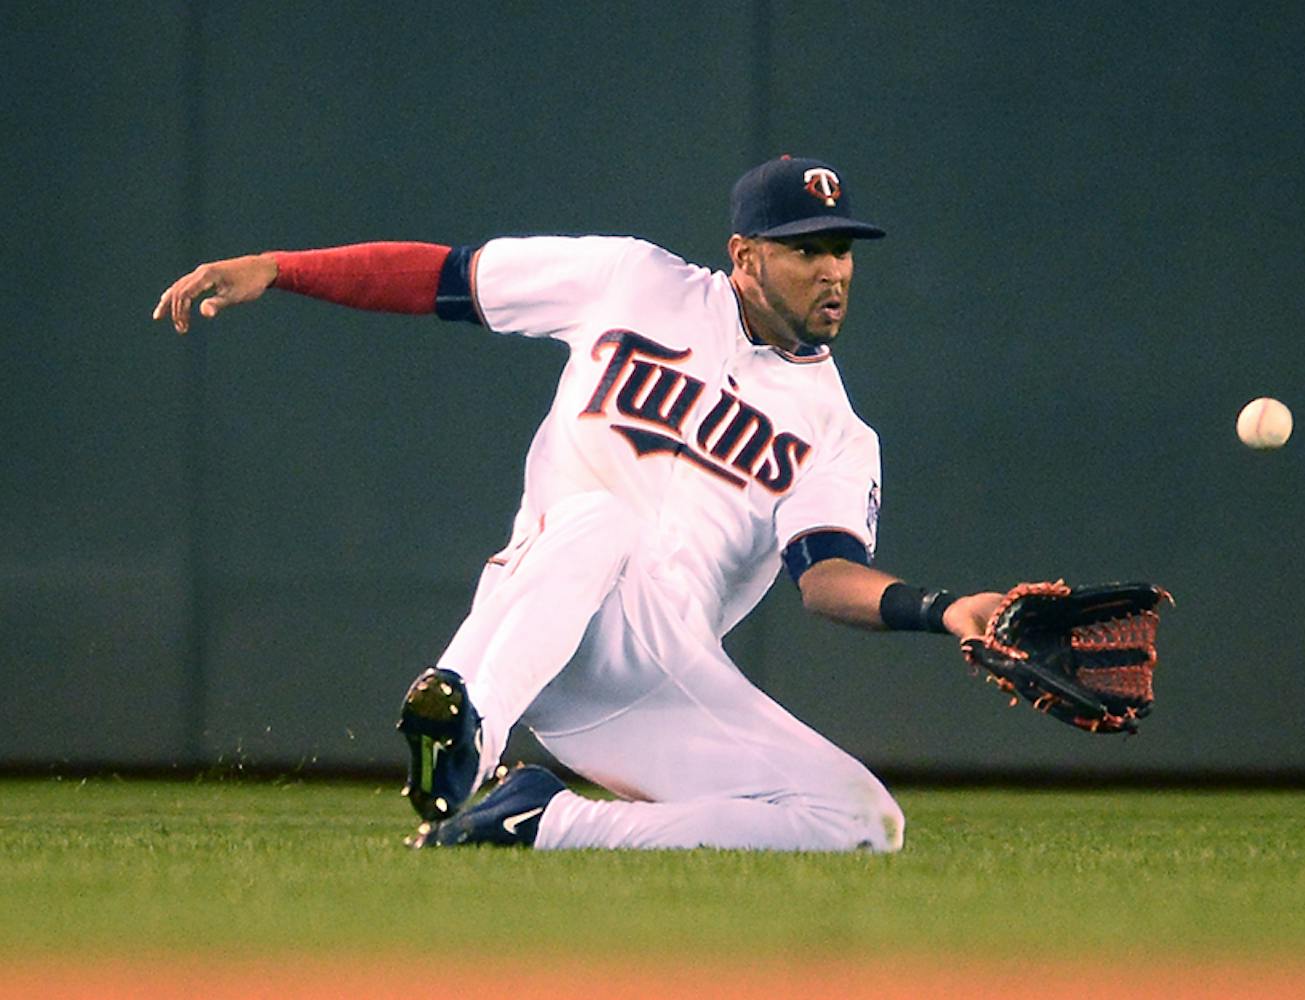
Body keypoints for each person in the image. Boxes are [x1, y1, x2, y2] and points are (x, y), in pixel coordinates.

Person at [153, 155, 1004, 852]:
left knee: (865, 823)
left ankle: (544, 822)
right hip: (540, 606)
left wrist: (942, 610)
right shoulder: (630, 282)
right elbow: (445, 278)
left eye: (842, 250)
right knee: (606, 517)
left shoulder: (840, 435)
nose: (832, 271)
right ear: (744, 257)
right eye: (805, 249)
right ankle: (465, 736)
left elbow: (826, 580)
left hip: (652, 677)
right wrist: (279, 269)